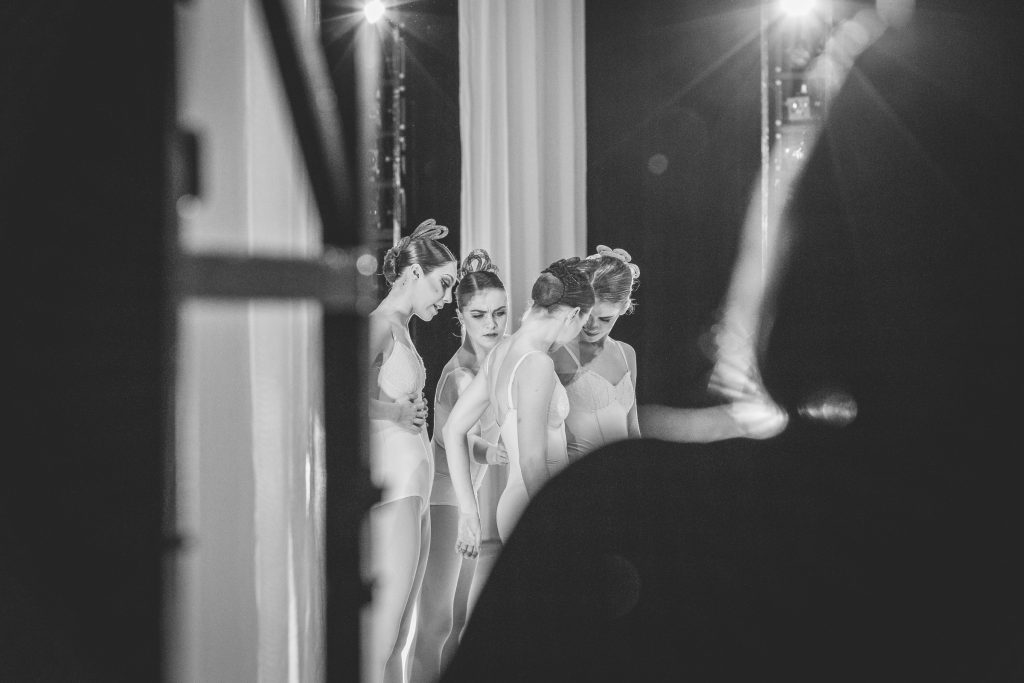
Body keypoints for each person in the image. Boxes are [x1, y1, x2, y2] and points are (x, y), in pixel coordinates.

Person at [444, 258, 595, 555]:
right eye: (583, 323)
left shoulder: (501, 352)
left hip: (517, 505)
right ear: (574, 314)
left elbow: (453, 430)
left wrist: (469, 513)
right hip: (536, 506)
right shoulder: (536, 362)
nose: (579, 333)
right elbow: (532, 462)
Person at [410, 250, 509, 682]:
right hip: (445, 499)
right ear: (461, 316)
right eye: (479, 314)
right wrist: (493, 451)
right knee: (436, 623)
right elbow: (456, 440)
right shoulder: (461, 374)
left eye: (500, 313)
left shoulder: (495, 366)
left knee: (459, 620)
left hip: (464, 495)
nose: (491, 324)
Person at [365, 219, 458, 683]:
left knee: (403, 632)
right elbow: (336, 397)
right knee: (384, 630)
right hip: (397, 485)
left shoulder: (401, 329)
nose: (445, 300)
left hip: (416, 484)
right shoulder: (380, 324)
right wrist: (394, 414)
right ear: (414, 273)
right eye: (443, 285)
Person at [552, 246, 642, 462]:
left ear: (624, 307)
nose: (591, 326)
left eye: (605, 319)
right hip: (578, 482)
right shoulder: (556, 353)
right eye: (586, 313)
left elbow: (633, 430)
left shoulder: (626, 353)